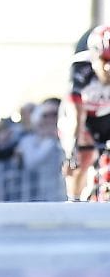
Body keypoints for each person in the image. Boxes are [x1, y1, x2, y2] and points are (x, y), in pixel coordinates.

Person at [65, 24, 110, 201]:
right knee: (84, 154)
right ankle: (73, 200)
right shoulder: (80, 68)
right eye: (104, 61)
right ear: (93, 57)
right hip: (82, 116)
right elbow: (76, 114)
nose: (108, 68)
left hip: (105, 115)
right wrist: (72, 148)